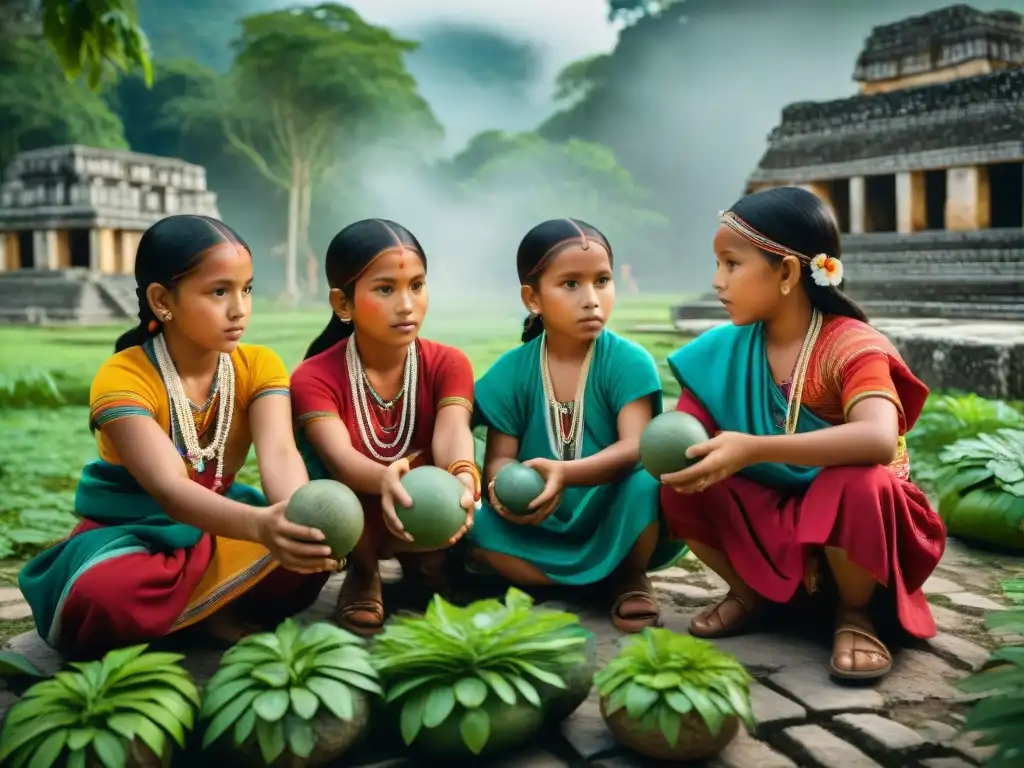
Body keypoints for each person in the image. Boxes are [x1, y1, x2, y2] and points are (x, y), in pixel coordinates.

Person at [658, 186, 946, 681]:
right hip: (774, 514)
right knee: (671, 479)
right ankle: (751, 595)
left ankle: (855, 614)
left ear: (788, 272)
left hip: (857, 536)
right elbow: (685, 436)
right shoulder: (721, 350)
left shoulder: (852, 346)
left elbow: (877, 441)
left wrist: (752, 449)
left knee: (859, 482)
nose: (717, 282)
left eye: (731, 264)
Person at [18, 215, 337, 659]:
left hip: (225, 521)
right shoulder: (123, 375)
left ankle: (197, 611)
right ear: (162, 300)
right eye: (219, 291)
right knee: (104, 595)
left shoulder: (259, 365)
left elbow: (280, 453)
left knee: (308, 555)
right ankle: (213, 608)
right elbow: (170, 489)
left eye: (246, 289)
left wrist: (300, 521)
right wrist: (262, 526)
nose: (239, 309)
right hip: (135, 537)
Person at [469, 218, 686, 633]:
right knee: (474, 525)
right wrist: (505, 495)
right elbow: (499, 458)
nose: (592, 299)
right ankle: (591, 582)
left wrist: (565, 474)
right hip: (540, 518)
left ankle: (628, 575)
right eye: (571, 284)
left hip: (610, 506)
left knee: (647, 482)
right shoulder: (514, 371)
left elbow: (634, 447)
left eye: (602, 281)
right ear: (532, 298)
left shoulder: (628, 360)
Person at [290, 218, 477, 636]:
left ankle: (426, 561)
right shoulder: (312, 376)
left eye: (417, 285)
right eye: (385, 289)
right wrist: (386, 477)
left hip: (422, 504)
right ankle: (363, 571)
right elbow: (338, 457)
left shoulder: (449, 363)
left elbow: (452, 431)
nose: (407, 304)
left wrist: (463, 473)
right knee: (331, 497)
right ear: (343, 303)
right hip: (358, 506)